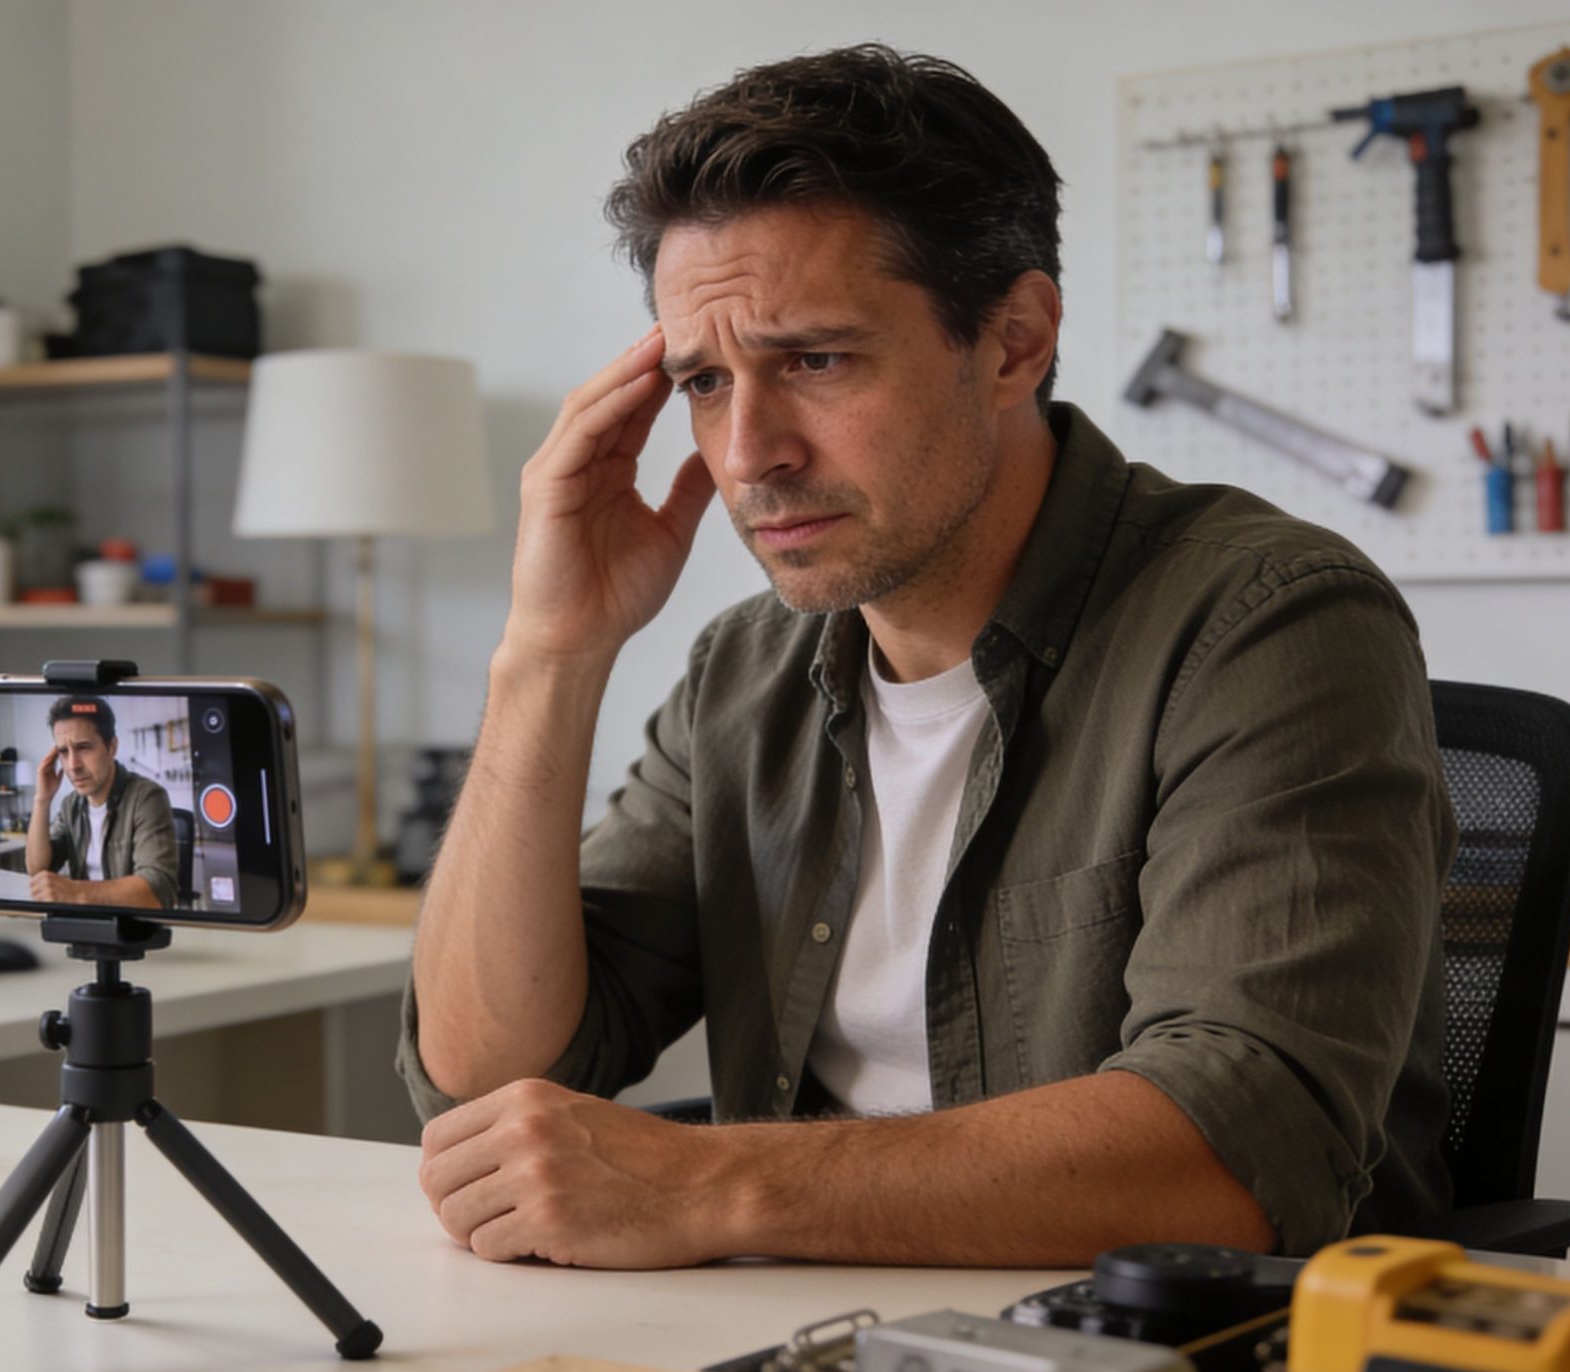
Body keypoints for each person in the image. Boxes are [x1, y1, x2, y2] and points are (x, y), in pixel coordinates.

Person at [401, 45, 1454, 1271]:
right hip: (800, 1341)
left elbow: (1237, 1150)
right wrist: (546, 654)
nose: (746, 454)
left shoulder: (1268, 621)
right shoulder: (744, 671)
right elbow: (488, 1081)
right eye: (701, 379)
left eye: (815, 360)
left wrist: (710, 1184)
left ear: (1013, 341)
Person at [25, 695, 179, 909]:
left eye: (84, 748)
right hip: (83, 925)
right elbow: (38, 869)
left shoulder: (147, 797)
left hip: (129, 929)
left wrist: (75, 892)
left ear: (112, 747)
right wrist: (42, 800)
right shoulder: (71, 805)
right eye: (63, 751)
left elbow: (158, 890)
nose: (72, 766)